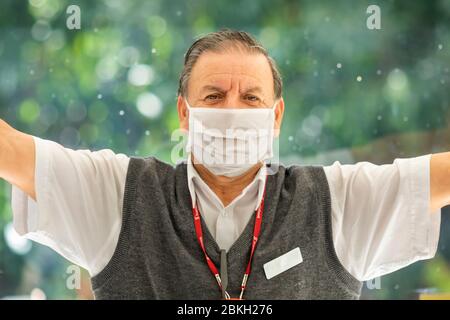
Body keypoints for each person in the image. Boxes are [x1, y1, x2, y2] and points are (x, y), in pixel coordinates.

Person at [0, 29, 446, 300]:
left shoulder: (337, 201)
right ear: (183, 113)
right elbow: (13, 151)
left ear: (276, 116)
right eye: (213, 96)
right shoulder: (118, 194)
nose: (232, 110)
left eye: (251, 98)